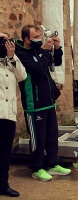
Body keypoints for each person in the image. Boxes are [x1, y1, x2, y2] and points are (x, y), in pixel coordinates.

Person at [15, 25, 71, 181]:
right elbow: (39, 68)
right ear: (26, 39)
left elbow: (56, 63)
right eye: (35, 37)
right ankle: (37, 168)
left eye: (40, 35)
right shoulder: (21, 54)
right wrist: (45, 50)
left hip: (48, 102)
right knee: (38, 139)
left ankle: (53, 163)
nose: (39, 39)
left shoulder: (37, 51)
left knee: (52, 136)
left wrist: (57, 48)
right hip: (34, 104)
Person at [0, 32, 27, 197]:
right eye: (3, 40)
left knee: (4, 153)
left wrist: (12, 57)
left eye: (7, 40)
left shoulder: (9, 62)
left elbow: (22, 76)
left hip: (8, 116)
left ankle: (3, 184)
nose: (6, 43)